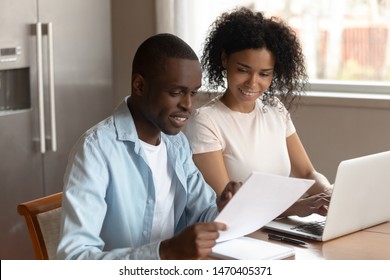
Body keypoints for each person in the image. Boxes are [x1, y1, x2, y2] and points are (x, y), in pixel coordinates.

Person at [56, 33, 240, 260]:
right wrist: (165, 252)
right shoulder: (95, 150)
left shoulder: (176, 144)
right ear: (139, 85)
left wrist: (225, 208)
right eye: (176, 92)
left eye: (193, 93)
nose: (188, 105)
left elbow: (203, 212)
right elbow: (74, 257)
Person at [185, 7, 332, 218]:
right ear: (225, 60)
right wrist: (296, 208)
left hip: (279, 228)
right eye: (243, 70)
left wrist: (329, 194)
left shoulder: (275, 109)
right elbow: (227, 204)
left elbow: (307, 173)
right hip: (240, 235)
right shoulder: (206, 121)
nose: (253, 83)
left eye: (264, 74)